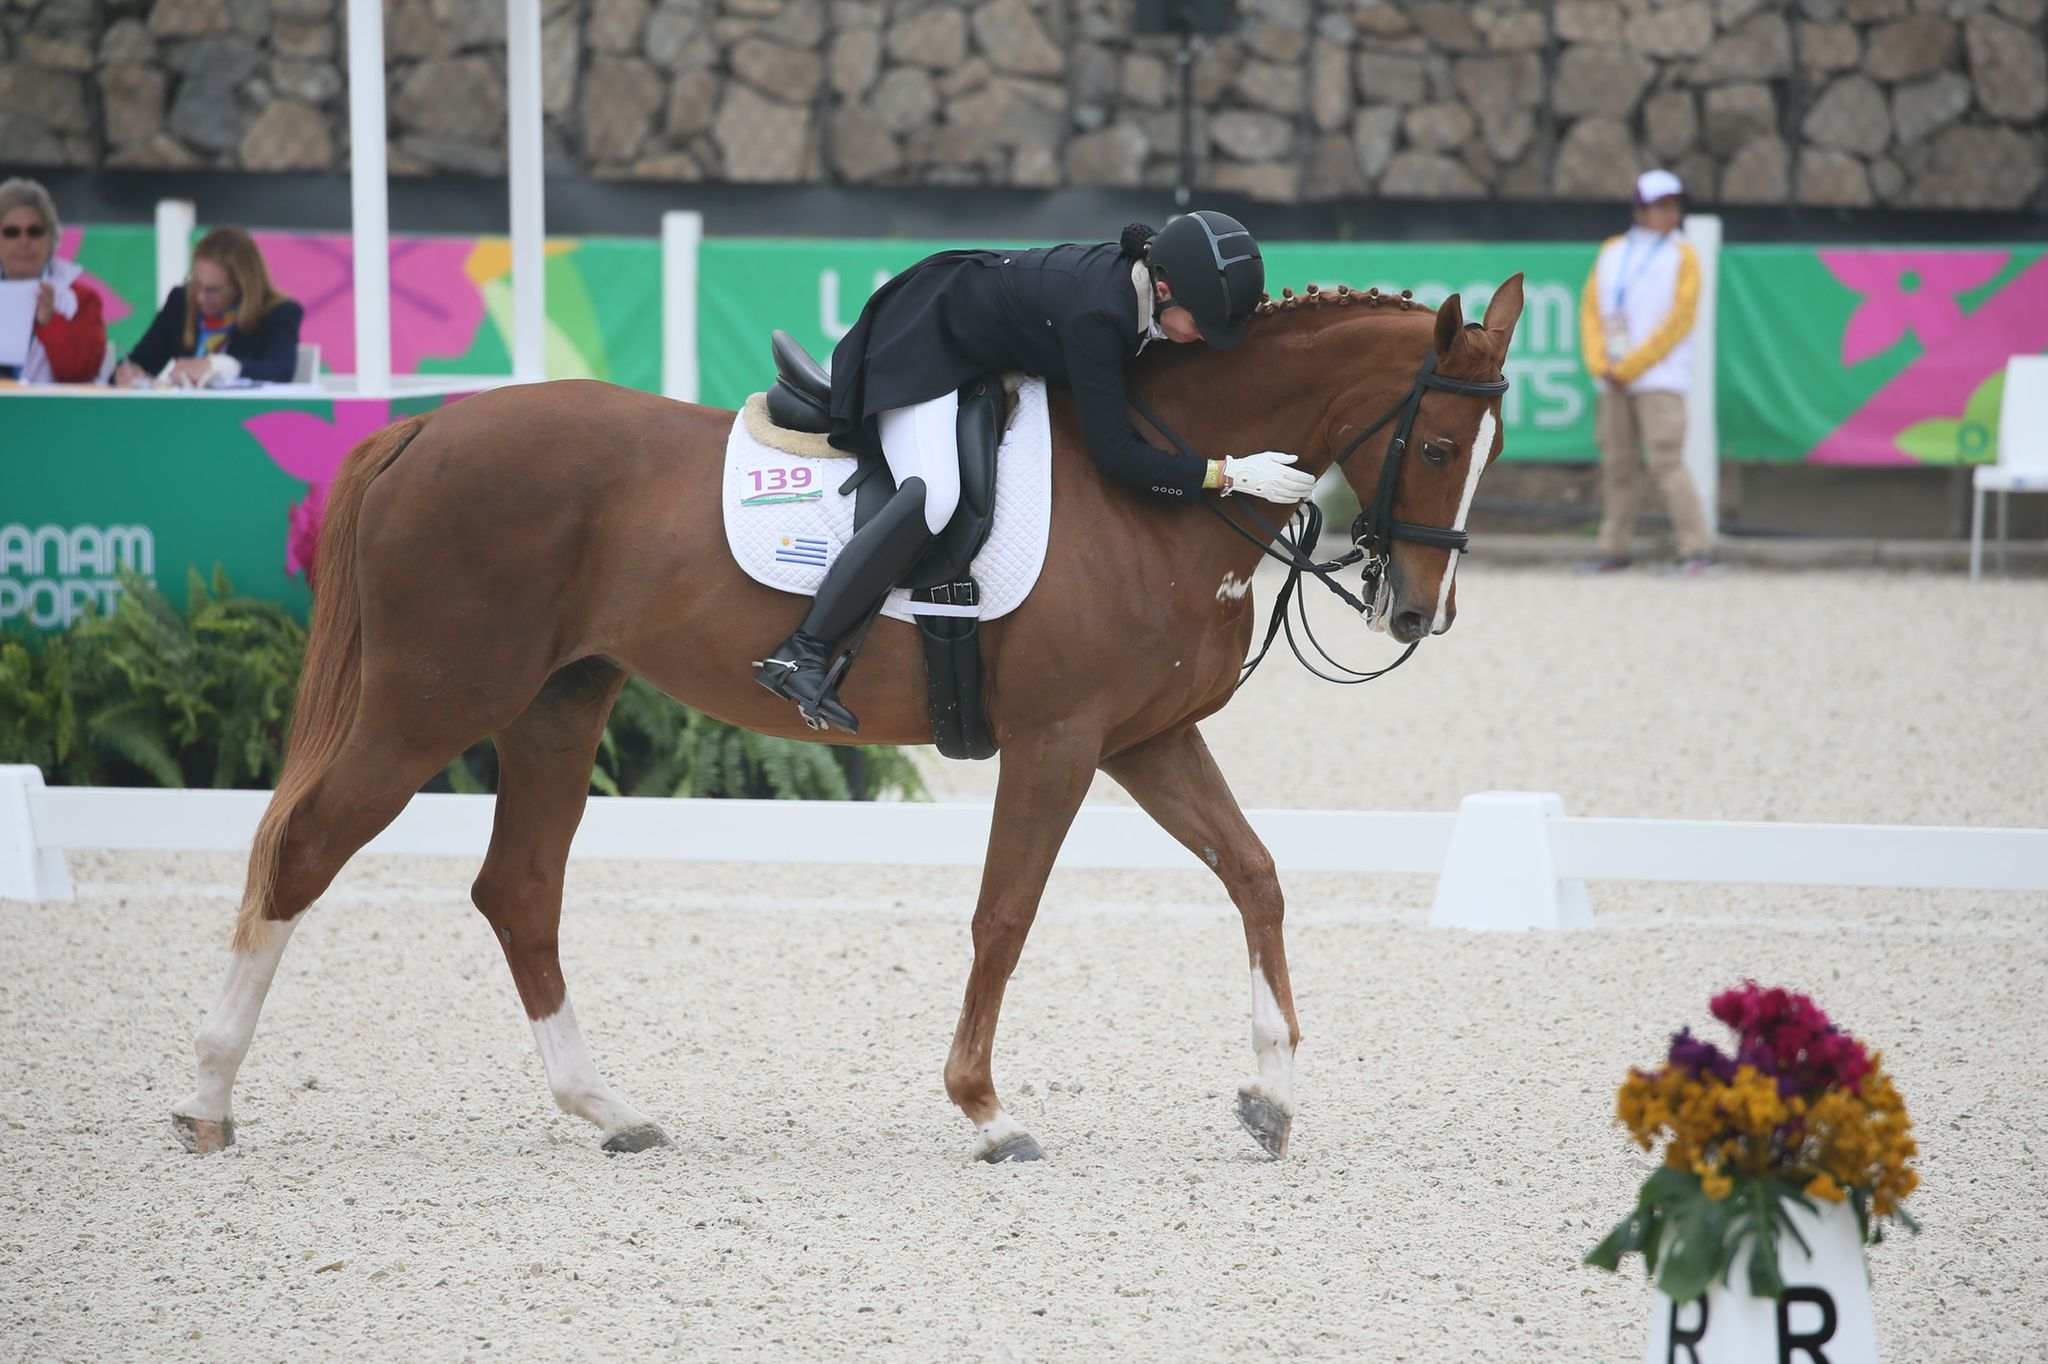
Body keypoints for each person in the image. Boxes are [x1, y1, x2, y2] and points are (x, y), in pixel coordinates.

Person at [754, 210, 1316, 734]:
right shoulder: (1101, 313)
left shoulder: (1146, 294)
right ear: (1164, 290)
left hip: (970, 329)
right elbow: (1116, 456)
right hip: (922, 343)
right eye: (1200, 325)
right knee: (935, 496)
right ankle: (800, 650)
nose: (1199, 341)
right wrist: (1227, 474)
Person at [1578, 168, 1714, 577]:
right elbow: (1590, 310)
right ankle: (1613, 548)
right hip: (1613, 378)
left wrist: (1631, 365)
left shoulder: (1684, 254)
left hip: (1660, 380)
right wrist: (1601, 363)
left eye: (1675, 206)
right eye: (1661, 206)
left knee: (1666, 464)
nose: (1671, 214)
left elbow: (1679, 321)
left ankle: (1697, 549)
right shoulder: (1612, 250)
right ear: (1641, 209)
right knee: (1617, 466)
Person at [115, 226, 302, 388]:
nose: (200, 296)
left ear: (242, 286)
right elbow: (141, 361)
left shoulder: (279, 312)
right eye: (196, 283)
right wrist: (128, 372)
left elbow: (280, 370)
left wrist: (222, 366)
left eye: (213, 290)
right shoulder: (181, 301)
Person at [0, 177, 109, 384]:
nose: (24, 241)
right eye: (12, 232)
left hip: (53, 414)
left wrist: (50, 322)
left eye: (35, 231)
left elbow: (80, 373)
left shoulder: (82, 299)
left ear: (50, 238)